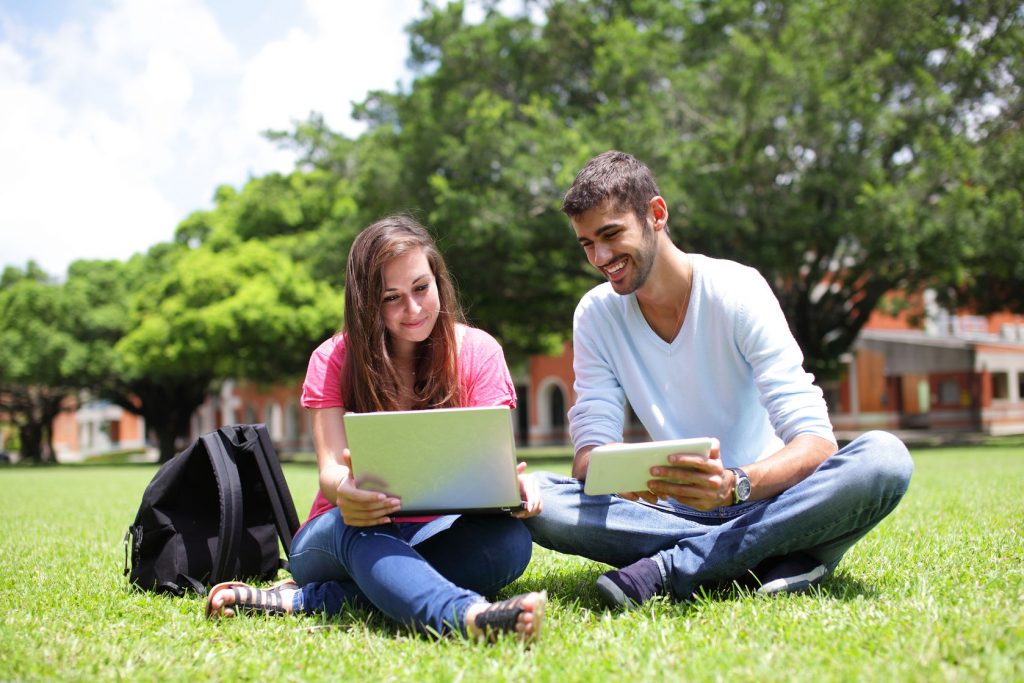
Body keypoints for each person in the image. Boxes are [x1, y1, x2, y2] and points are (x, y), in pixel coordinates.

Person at [523, 151, 914, 608]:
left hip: (766, 497)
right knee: (539, 500)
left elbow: (817, 443)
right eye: (587, 244)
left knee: (885, 459)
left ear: (656, 214)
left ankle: (674, 567)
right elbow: (588, 453)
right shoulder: (595, 314)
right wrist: (615, 474)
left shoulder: (738, 290)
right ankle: (780, 553)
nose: (601, 257)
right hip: (667, 512)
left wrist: (732, 486)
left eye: (610, 234)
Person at [206, 215, 546, 641]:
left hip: (437, 532)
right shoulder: (332, 358)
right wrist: (346, 492)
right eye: (392, 297)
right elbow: (331, 472)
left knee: (510, 542)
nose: (414, 309)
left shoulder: (479, 352)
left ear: (439, 280)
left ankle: (310, 600)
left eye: (422, 288)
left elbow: (490, 463)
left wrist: (514, 487)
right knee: (364, 528)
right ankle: (465, 618)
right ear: (368, 303)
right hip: (341, 532)